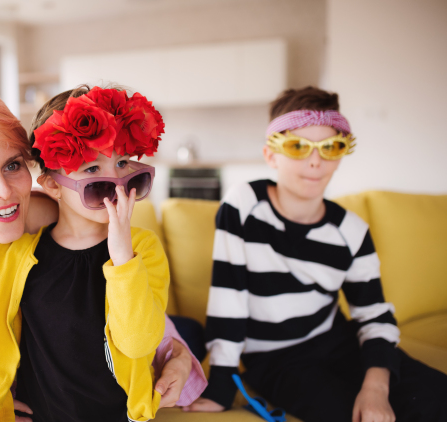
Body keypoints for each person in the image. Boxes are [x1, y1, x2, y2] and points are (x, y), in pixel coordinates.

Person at [0, 86, 206, 422]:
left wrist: (176, 352)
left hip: (109, 345)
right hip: (52, 377)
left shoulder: (54, 215)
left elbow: (123, 308)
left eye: (13, 165)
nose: (4, 192)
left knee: (193, 333)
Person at [185, 87, 447, 421]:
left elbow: (374, 316)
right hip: (275, 358)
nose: (314, 161)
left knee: (435, 398)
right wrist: (221, 384)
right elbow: (228, 297)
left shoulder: (351, 231)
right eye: (298, 147)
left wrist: (376, 387)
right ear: (271, 155)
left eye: (330, 148)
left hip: (337, 341)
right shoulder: (243, 206)